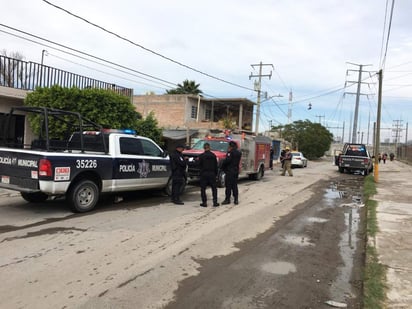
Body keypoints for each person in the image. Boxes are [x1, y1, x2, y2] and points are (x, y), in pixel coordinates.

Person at [198, 143, 219, 207]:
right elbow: (216, 166)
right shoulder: (213, 155)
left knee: (203, 188)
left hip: (204, 174)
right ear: (209, 147)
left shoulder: (201, 156)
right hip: (212, 173)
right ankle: (215, 202)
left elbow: (199, 165)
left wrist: (200, 173)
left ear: (204, 148)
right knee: (214, 188)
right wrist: (216, 174)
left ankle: (204, 202)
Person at [221, 141, 242, 205]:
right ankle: (236, 199)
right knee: (235, 186)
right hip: (235, 171)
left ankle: (227, 199)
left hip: (230, 171)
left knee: (228, 186)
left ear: (230, 146)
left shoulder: (230, 152)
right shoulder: (239, 153)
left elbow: (227, 161)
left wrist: (222, 166)